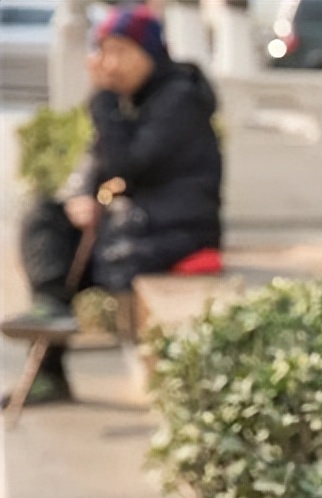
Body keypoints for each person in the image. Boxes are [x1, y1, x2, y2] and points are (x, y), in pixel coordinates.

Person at [1, 5, 222, 407]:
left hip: (175, 229)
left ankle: (51, 341)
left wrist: (102, 101)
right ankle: (50, 337)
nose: (109, 63)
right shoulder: (134, 99)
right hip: (139, 222)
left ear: (149, 52)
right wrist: (82, 197)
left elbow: (129, 163)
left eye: (120, 51)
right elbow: (99, 161)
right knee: (47, 219)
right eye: (103, 51)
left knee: (70, 257)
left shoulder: (179, 99)